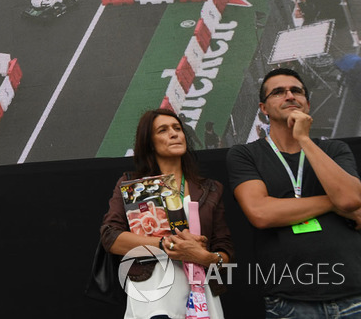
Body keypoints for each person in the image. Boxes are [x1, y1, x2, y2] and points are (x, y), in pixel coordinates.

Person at [226, 67, 361, 317]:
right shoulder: (245, 155)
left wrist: (305, 140)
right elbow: (261, 212)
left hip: (353, 293)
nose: (289, 95)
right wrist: (332, 204)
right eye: (278, 92)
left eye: (296, 91)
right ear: (263, 108)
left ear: (307, 104)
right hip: (289, 299)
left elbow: (350, 198)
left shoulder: (334, 149)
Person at [101, 108, 234, 318]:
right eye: (163, 130)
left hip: (202, 292)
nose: (174, 134)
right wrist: (167, 245)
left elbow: (225, 251)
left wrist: (206, 257)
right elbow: (110, 237)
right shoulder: (133, 185)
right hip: (154, 290)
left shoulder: (210, 188)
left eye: (177, 128)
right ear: (149, 143)